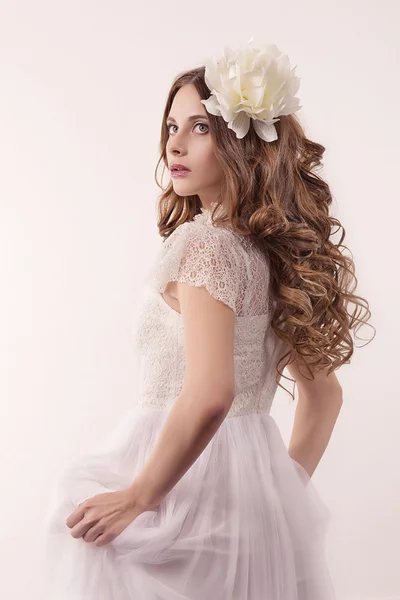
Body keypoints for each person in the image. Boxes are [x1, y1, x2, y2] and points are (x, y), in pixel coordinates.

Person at [43, 38, 375, 599]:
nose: (175, 143)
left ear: (245, 142)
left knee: (84, 525)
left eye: (199, 127)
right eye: (171, 126)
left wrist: (140, 496)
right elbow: (325, 396)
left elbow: (211, 392)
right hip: (246, 489)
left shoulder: (204, 247)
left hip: (183, 481)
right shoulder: (274, 255)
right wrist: (280, 496)